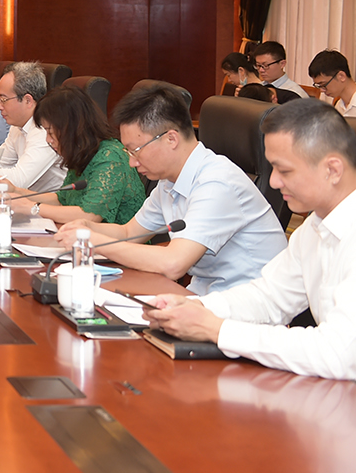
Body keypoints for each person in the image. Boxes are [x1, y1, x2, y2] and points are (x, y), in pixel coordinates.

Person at [144, 100, 356, 379]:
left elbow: (340, 353)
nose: (275, 182)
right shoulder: (313, 228)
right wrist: (198, 308)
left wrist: (215, 329)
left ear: (333, 170)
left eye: (284, 170)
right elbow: (270, 297)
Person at [53, 83, 287, 294]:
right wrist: (87, 228)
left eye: (135, 150)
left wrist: (93, 241)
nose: (132, 162)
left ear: (171, 139)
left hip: (249, 307)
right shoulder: (169, 181)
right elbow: (129, 233)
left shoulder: (217, 183)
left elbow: (173, 263)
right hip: (203, 297)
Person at [5, 86, 145, 225]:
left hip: (118, 238)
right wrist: (17, 191)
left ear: (70, 129)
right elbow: (61, 200)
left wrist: (33, 208)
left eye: (50, 132)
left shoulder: (110, 157)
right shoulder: (82, 152)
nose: (48, 140)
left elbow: (90, 215)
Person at [0, 62, 66, 192]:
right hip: (24, 200)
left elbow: (19, 180)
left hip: (48, 202)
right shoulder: (18, 125)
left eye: (4, 100)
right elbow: (1, 163)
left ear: (28, 100)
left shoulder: (45, 130)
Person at [309, 50, 356, 117]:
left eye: (324, 84)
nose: (321, 90)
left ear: (341, 76)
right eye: (319, 86)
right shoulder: (339, 106)